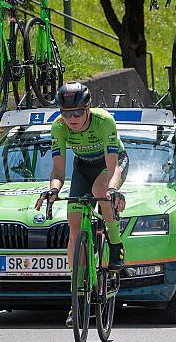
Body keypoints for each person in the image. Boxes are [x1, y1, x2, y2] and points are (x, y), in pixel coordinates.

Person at [34, 82, 128, 325]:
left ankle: (116, 244)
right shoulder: (58, 128)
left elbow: (113, 166)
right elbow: (57, 169)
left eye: (77, 113)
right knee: (74, 231)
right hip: (83, 168)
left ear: (88, 108)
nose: (72, 118)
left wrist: (113, 189)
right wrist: (53, 190)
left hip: (111, 165)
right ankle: (78, 297)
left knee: (100, 191)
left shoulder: (104, 121)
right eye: (66, 114)